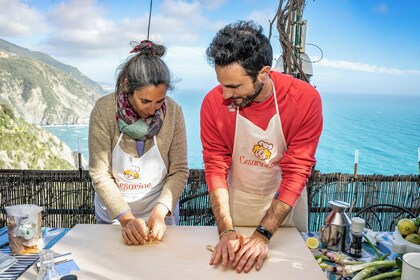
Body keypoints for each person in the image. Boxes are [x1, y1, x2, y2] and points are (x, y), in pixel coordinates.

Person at [200, 20, 323, 272]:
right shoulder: (213, 103)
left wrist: (264, 234)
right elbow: (215, 165)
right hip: (238, 205)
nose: (224, 94)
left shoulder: (304, 99)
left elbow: (297, 171)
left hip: (285, 207)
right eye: (222, 84)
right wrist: (226, 229)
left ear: (264, 73)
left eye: (234, 86)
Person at [89, 40, 188, 245]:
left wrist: (160, 213)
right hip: (115, 216)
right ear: (127, 87)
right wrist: (126, 219)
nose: (153, 110)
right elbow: (100, 173)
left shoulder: (174, 112)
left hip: (159, 212)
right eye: (145, 101)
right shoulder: (104, 110)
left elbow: (179, 170)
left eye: (159, 101)